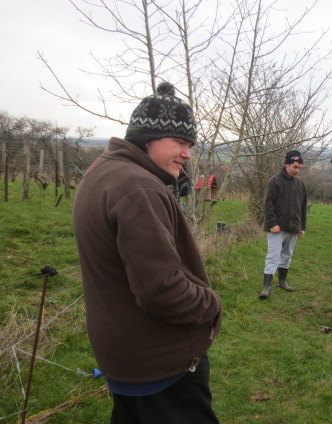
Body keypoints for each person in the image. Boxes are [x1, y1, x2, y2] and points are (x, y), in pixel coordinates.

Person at [73, 81, 223, 424]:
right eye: (180, 142)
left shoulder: (103, 172)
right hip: (159, 361)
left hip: (125, 355)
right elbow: (162, 289)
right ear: (147, 137)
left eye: (190, 144)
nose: (187, 154)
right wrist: (211, 306)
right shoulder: (138, 186)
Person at [259, 150, 308, 299]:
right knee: (273, 256)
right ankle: (267, 286)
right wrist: (272, 223)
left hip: (293, 227)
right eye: (294, 167)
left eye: (299, 168)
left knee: (286, 256)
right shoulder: (275, 181)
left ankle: (282, 281)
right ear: (286, 165)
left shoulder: (300, 185)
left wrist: (303, 227)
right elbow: (268, 204)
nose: (297, 170)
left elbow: (303, 208)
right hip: (276, 228)